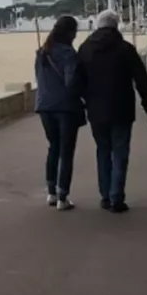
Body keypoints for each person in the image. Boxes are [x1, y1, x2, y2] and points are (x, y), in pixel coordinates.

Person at [75, 10, 147, 212]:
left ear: (98, 25)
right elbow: (141, 78)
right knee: (120, 153)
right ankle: (116, 197)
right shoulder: (125, 48)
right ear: (116, 26)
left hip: (96, 110)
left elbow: (77, 80)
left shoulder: (85, 48)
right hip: (121, 108)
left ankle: (105, 196)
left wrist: (87, 98)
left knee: (103, 151)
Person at [33, 15, 84, 211]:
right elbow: (71, 82)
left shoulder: (41, 52)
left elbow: (39, 79)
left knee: (53, 147)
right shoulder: (69, 53)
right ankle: (63, 196)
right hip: (65, 107)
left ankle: (51, 192)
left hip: (45, 105)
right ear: (70, 33)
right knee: (66, 151)